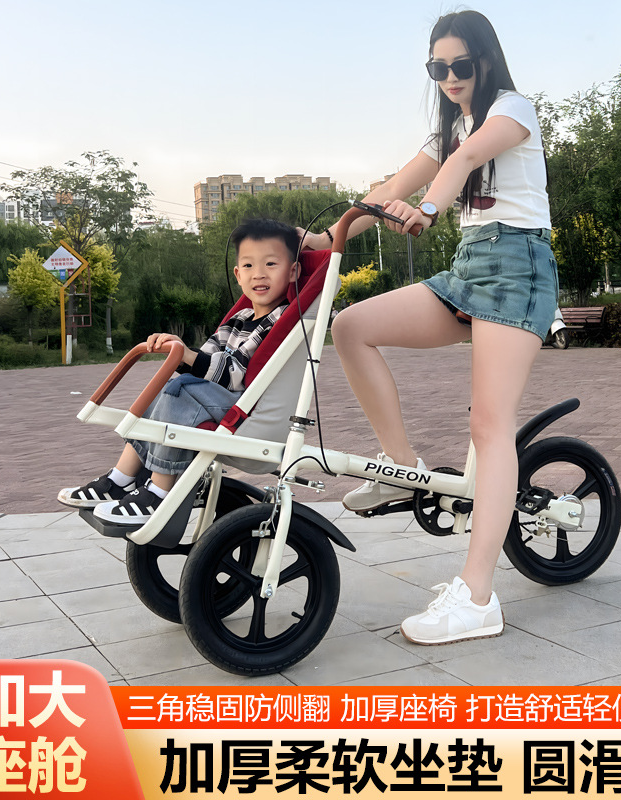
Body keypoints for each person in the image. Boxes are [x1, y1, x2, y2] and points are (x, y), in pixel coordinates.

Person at [299, 11, 558, 645]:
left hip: (518, 267)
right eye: (437, 67)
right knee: (352, 326)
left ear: (485, 60)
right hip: (469, 267)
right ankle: (399, 464)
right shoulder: (446, 130)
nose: (448, 77)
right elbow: (393, 183)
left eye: (459, 65)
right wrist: (324, 238)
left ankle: (477, 597)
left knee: (488, 425)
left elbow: (467, 160)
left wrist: (430, 209)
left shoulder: (513, 110)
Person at [58, 218, 300, 525]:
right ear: (238, 275)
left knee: (180, 391)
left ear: (293, 271)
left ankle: (160, 492)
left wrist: (187, 355)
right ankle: (121, 478)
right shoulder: (239, 318)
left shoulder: (280, 320)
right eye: (249, 265)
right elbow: (207, 358)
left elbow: (234, 375)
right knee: (165, 388)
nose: (259, 274)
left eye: (271, 264)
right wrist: (182, 351)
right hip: (222, 399)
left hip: (245, 409)